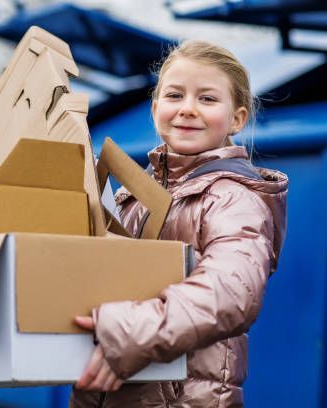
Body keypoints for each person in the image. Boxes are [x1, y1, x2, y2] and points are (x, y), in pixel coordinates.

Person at [69, 40, 288, 407]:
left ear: (237, 118)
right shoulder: (135, 196)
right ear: (155, 110)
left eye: (207, 99)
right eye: (174, 95)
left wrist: (126, 334)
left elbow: (231, 292)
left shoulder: (232, 199)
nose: (187, 109)